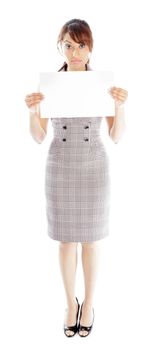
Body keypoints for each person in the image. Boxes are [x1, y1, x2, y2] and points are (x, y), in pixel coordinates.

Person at [25, 18, 128, 338]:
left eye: (81, 45)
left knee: (91, 240)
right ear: (60, 47)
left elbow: (116, 135)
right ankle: (71, 304)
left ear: (90, 48)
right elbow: (39, 137)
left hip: (94, 165)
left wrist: (120, 106)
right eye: (68, 45)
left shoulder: (101, 84)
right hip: (60, 164)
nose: (75, 52)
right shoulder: (50, 85)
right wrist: (31, 112)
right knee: (66, 239)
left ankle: (90, 303)